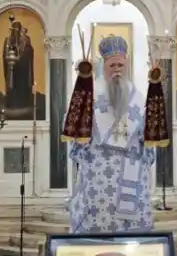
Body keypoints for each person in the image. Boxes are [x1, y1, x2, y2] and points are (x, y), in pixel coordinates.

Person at [63, 35, 168, 233]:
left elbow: (148, 136)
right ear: (104, 66)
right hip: (97, 178)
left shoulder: (138, 99)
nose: (117, 70)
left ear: (126, 65)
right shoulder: (89, 98)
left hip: (132, 173)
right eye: (113, 66)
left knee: (132, 232)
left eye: (121, 65)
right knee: (96, 227)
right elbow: (73, 129)